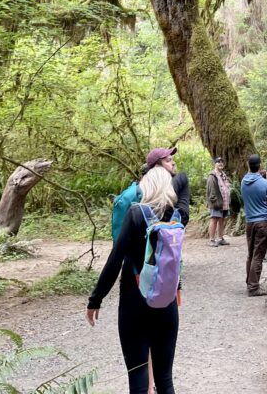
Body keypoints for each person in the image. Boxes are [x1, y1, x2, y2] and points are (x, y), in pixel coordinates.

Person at [86, 162, 180, 394]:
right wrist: (178, 289)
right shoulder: (175, 216)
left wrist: (95, 299)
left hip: (134, 303)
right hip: (166, 304)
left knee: (138, 379)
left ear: (147, 186)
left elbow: (115, 259)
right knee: (165, 379)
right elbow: (175, 262)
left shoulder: (136, 213)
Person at [241, 153, 267, 296]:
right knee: (258, 254)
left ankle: (250, 281)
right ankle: (254, 287)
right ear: (260, 165)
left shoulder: (243, 182)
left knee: (250, 253)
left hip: (249, 222)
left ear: (249, 165)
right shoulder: (264, 183)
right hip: (262, 222)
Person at [206, 156, 231, 247]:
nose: (220, 163)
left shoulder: (223, 175)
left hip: (224, 202)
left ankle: (220, 238)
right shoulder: (212, 176)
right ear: (215, 164)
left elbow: (226, 187)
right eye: (218, 162)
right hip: (216, 203)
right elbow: (210, 191)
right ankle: (211, 240)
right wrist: (214, 202)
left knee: (221, 220)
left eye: (222, 162)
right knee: (214, 219)